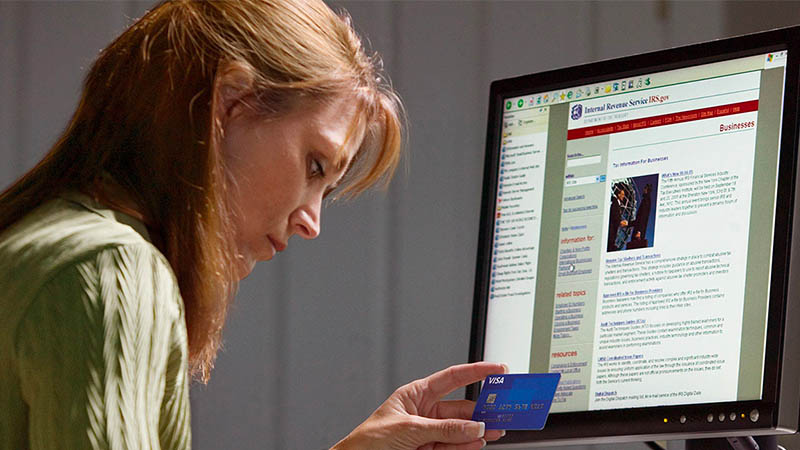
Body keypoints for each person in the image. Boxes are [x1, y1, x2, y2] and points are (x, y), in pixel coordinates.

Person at [0, 1, 505, 449]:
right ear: (230, 105)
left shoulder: (46, 241)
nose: (313, 223)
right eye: (313, 166)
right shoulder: (111, 270)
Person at [607, 184, 628, 252]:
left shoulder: (617, 203)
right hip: (611, 231)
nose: (623, 196)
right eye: (622, 194)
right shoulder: (614, 202)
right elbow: (614, 214)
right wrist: (620, 222)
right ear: (618, 194)